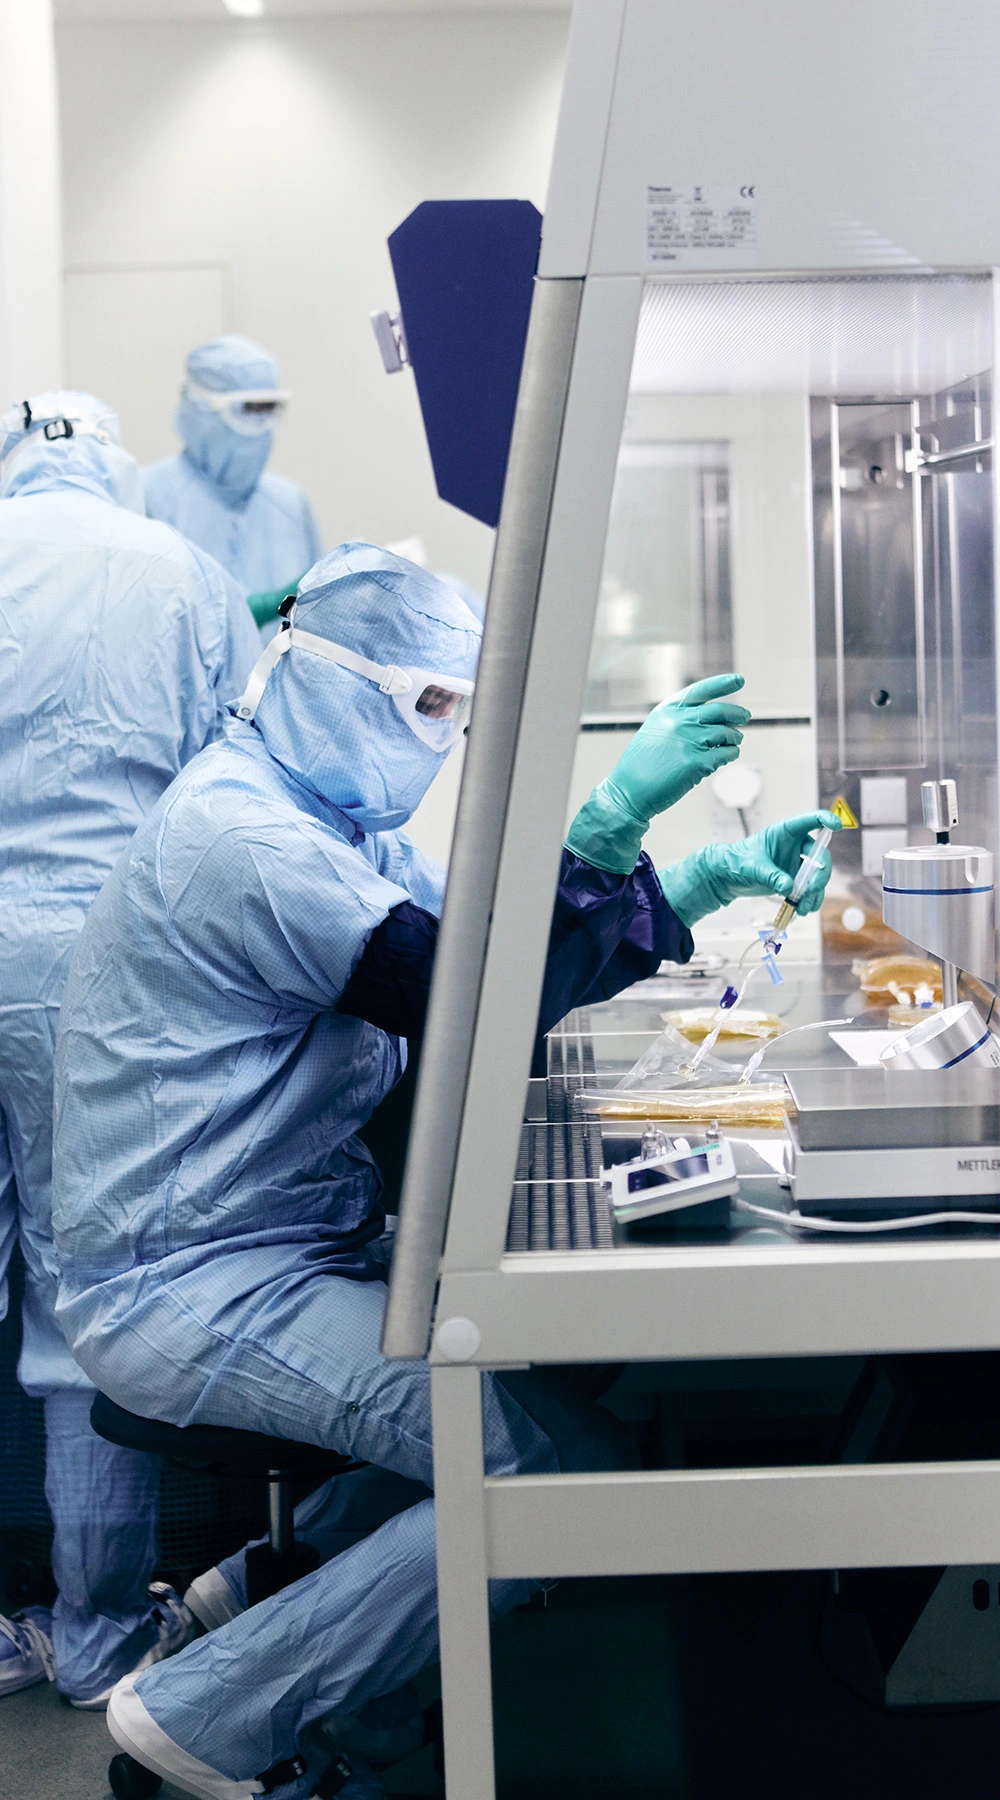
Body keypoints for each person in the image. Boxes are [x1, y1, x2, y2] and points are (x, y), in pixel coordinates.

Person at [51, 543, 836, 1797]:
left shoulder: (330, 818)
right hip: (187, 1280)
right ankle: (199, 1723)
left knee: (557, 1421)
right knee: (540, 1472)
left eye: (455, 709)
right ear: (321, 676)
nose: (442, 736)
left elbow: (492, 939)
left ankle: (269, 1590)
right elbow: (462, 995)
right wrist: (613, 825)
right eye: (428, 703)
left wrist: (687, 881)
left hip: (277, 1242)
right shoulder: (243, 834)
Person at [0, 394, 260, 1708]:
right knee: (79, 1308)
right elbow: (245, 786)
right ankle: (95, 1634)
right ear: (114, 462)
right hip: (96, 974)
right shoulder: (184, 573)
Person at [143, 335, 321, 629]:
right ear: (199, 409)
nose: (260, 427)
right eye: (248, 409)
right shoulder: (147, 496)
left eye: (269, 409)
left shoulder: (290, 502)